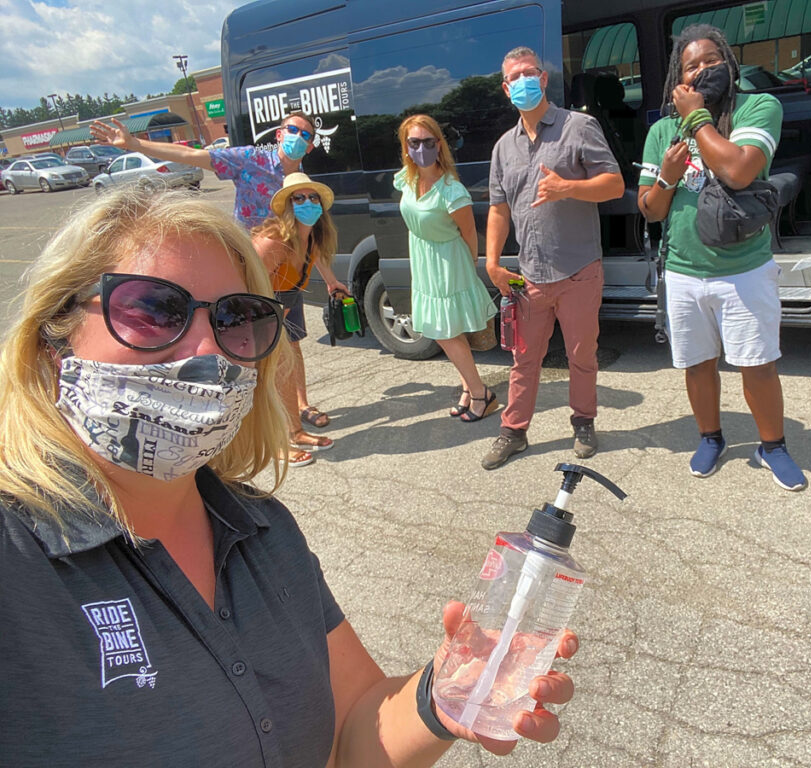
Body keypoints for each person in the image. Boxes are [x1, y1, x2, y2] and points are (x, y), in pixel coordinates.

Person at [0, 186, 577, 766]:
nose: (208, 349)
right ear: (54, 338)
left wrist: (443, 696)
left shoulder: (264, 531)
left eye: (236, 318)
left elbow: (355, 725)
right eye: (154, 310)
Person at [637, 24, 807, 491]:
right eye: (692, 65)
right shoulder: (660, 132)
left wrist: (696, 119)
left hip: (743, 268)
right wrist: (668, 176)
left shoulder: (758, 106)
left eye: (713, 60)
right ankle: (710, 437)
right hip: (685, 271)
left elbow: (737, 170)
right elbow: (650, 209)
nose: (704, 69)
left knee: (757, 363)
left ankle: (772, 445)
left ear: (729, 64)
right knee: (697, 364)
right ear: (679, 77)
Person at [482, 46, 625, 470]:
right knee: (524, 360)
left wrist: (569, 188)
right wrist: (492, 261)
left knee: (582, 354)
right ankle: (514, 431)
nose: (523, 81)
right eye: (515, 77)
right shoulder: (503, 148)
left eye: (530, 73)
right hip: (531, 277)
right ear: (506, 89)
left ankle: (583, 422)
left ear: (543, 79)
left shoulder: (578, 127)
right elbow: (497, 208)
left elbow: (615, 184)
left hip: (579, 270)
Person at [394, 114, 499, 422]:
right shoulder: (407, 177)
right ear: (406, 146)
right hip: (424, 258)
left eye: (428, 142)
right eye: (414, 142)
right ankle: (469, 388)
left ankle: (482, 394)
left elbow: (468, 233)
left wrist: (469, 266)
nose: (421, 148)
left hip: (448, 262)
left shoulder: (452, 190)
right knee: (446, 331)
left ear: (439, 145)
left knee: (446, 332)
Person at [252, 172, 346, 465]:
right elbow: (249, 283)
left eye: (313, 197)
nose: (308, 203)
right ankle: (278, 442)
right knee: (272, 375)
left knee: (288, 369)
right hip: (262, 308)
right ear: (288, 205)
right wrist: (270, 315)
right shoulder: (274, 240)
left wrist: (332, 282)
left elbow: (315, 259)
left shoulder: (311, 237)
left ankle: (294, 430)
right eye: (299, 198)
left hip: (288, 301)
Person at [90, 110, 317, 229]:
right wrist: (134, 144)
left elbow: (308, 231)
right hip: (250, 263)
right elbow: (190, 155)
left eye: (305, 135)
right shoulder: (250, 160)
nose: (297, 137)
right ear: (279, 134)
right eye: (292, 130)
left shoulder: (304, 181)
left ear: (310, 147)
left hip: (288, 270)